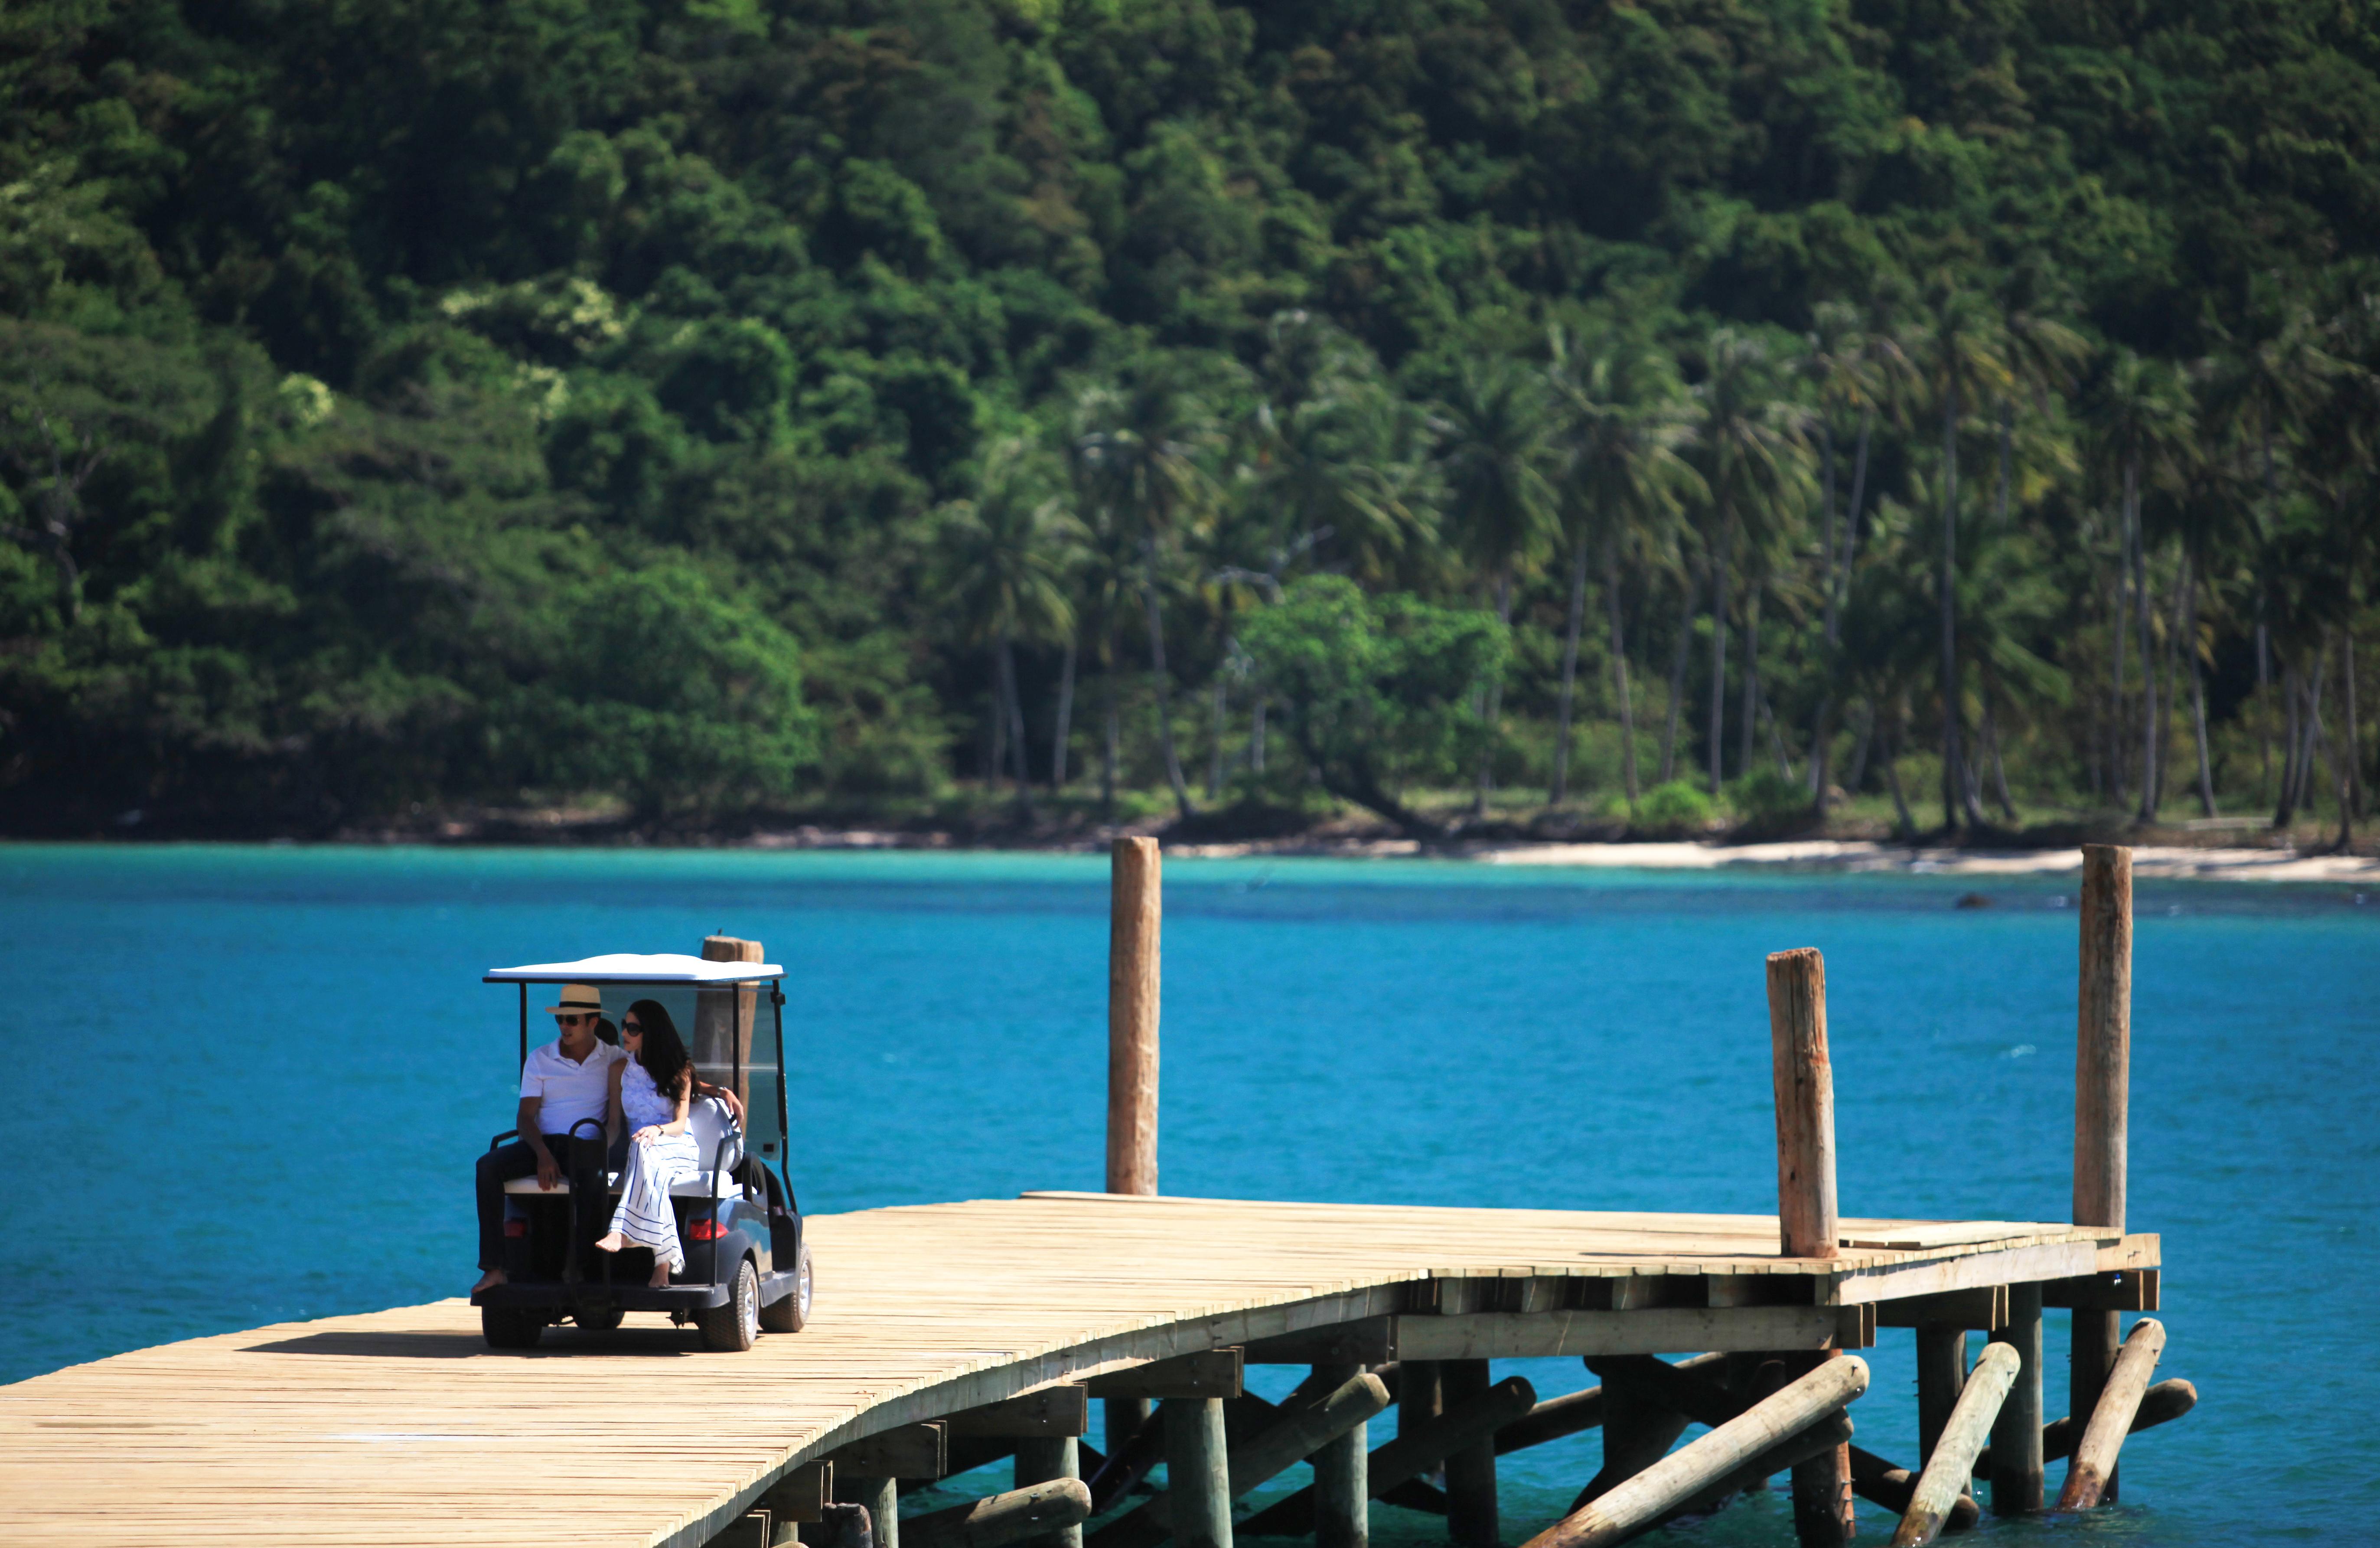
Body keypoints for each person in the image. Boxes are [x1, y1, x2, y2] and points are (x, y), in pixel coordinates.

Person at [472, 983, 626, 1294]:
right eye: (560, 1020)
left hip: (584, 1145)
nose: (564, 1026)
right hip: (542, 1143)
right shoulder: (541, 1058)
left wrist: (715, 1090)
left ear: (593, 1022)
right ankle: (495, 1268)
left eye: (572, 1020)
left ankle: (579, 1265)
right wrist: (542, 1154)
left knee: (594, 1176)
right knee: (487, 1167)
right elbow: (525, 1118)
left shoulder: (614, 1059)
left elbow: (665, 1074)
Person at [594, 1000, 704, 1288]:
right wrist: (593, 1154)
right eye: (624, 1026)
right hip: (642, 1150)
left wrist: (657, 1129)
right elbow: (616, 1124)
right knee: (644, 1152)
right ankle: (662, 1267)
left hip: (678, 1145)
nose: (625, 1033)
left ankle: (623, 1231)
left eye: (633, 1028)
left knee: (644, 1148)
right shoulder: (619, 1069)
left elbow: (681, 1124)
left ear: (651, 1032)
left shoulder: (680, 1069)